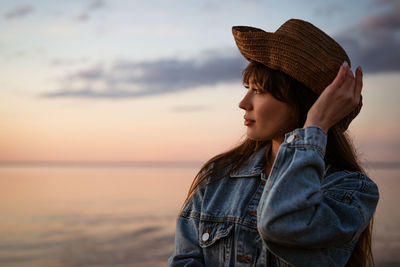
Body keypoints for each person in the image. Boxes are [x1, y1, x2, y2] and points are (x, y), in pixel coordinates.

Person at [168, 18, 379, 267]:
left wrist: (315, 125)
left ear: (302, 101)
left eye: (259, 90)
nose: (243, 103)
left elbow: (281, 225)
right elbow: (184, 260)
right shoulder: (218, 175)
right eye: (248, 87)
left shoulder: (351, 190)